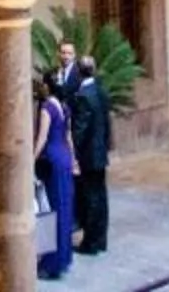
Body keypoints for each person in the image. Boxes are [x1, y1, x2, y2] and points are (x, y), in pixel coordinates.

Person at [51, 42, 112, 255]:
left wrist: (73, 152)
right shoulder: (100, 90)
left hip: (89, 156)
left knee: (91, 198)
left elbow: (80, 131)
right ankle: (101, 238)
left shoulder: (84, 97)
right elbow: (107, 123)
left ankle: (91, 243)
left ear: (79, 70)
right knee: (101, 197)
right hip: (100, 153)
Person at [33, 84, 76, 281]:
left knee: (49, 210)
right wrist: (73, 159)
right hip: (64, 158)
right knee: (64, 207)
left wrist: (32, 159)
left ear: (48, 87)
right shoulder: (64, 107)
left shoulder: (47, 108)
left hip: (51, 160)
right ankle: (64, 257)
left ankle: (51, 262)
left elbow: (42, 137)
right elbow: (68, 137)